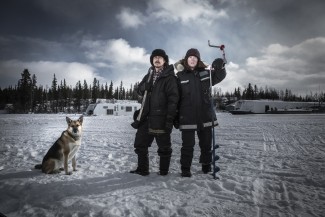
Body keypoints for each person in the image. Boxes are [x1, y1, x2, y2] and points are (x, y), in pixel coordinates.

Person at [174, 48, 226, 177]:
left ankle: (206, 166)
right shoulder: (180, 76)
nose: (192, 59)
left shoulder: (206, 73)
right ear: (186, 60)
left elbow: (219, 76)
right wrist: (175, 116)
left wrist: (220, 66)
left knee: (206, 144)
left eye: (195, 58)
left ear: (198, 60)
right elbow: (175, 98)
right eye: (190, 57)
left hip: (205, 115)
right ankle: (185, 169)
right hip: (187, 117)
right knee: (187, 146)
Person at [130, 49, 179, 176]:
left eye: (160, 57)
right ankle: (143, 169)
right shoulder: (148, 75)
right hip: (146, 117)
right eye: (155, 57)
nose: (157, 59)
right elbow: (140, 91)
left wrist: (169, 119)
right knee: (140, 145)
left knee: (164, 148)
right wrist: (144, 86)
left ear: (165, 61)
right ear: (152, 60)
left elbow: (173, 100)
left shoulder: (170, 78)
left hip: (161, 118)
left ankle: (163, 172)